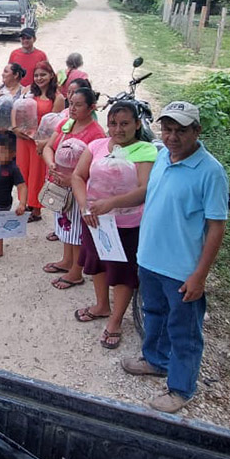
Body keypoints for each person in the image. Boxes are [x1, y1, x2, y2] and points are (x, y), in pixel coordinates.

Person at [122, 102, 228, 414]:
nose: (172, 137)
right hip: (150, 259)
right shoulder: (161, 157)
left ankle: (182, 388)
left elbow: (216, 227)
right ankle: (155, 360)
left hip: (182, 269)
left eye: (180, 131)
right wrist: (111, 203)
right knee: (154, 314)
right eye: (167, 129)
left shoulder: (211, 172)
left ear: (197, 131)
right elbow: (149, 195)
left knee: (184, 332)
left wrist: (199, 276)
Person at [70, 101, 157, 349]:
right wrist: (84, 205)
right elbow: (78, 176)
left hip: (127, 224)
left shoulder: (145, 151)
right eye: (113, 123)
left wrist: (112, 203)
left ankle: (116, 320)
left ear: (137, 124)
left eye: (125, 123)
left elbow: (145, 189)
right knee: (97, 263)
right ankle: (101, 305)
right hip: (94, 219)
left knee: (123, 273)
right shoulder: (97, 146)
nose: (118, 129)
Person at [42, 87, 106, 290]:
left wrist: (75, 180)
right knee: (65, 226)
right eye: (71, 104)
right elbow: (48, 147)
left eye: (79, 105)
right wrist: (51, 164)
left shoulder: (96, 134)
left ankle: (76, 272)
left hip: (78, 190)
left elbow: (97, 168)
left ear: (91, 108)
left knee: (77, 232)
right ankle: (67, 260)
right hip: (60, 188)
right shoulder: (67, 124)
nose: (73, 108)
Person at [18, 61, 64, 223]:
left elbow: (56, 126)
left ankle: (36, 209)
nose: (39, 78)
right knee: (23, 171)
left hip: (40, 142)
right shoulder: (29, 91)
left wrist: (45, 144)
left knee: (37, 175)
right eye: (36, 75)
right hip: (24, 139)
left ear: (51, 75)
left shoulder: (58, 98)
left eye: (43, 75)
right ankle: (26, 202)